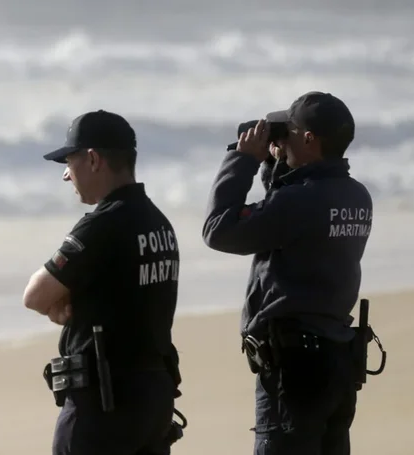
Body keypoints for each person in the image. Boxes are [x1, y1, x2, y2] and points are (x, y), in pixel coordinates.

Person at [201, 91, 373, 455]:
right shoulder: (356, 196)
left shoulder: (301, 201)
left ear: (309, 138)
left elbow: (219, 230)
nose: (283, 139)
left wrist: (242, 160)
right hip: (336, 361)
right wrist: (276, 163)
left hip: (295, 372)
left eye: (290, 132)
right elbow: (283, 216)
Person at [22, 110, 184, 455]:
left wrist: (66, 301)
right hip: (153, 401)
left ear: (93, 159)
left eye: (69, 161)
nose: (67, 175)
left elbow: (35, 296)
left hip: (105, 406)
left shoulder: (103, 226)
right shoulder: (159, 224)